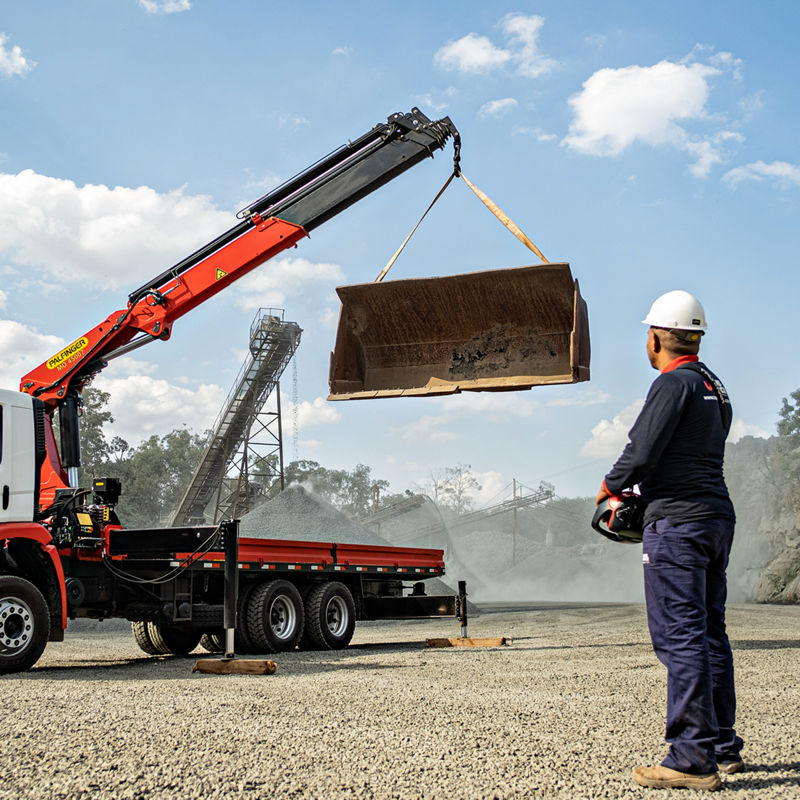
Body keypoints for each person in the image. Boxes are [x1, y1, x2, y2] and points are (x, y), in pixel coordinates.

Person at [596, 290, 743, 791]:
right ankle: (723, 747)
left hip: (677, 527)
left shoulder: (672, 383)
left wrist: (609, 487)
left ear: (656, 336)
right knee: (708, 634)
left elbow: (641, 451)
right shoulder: (714, 386)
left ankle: (690, 757)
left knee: (680, 636)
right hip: (714, 519)